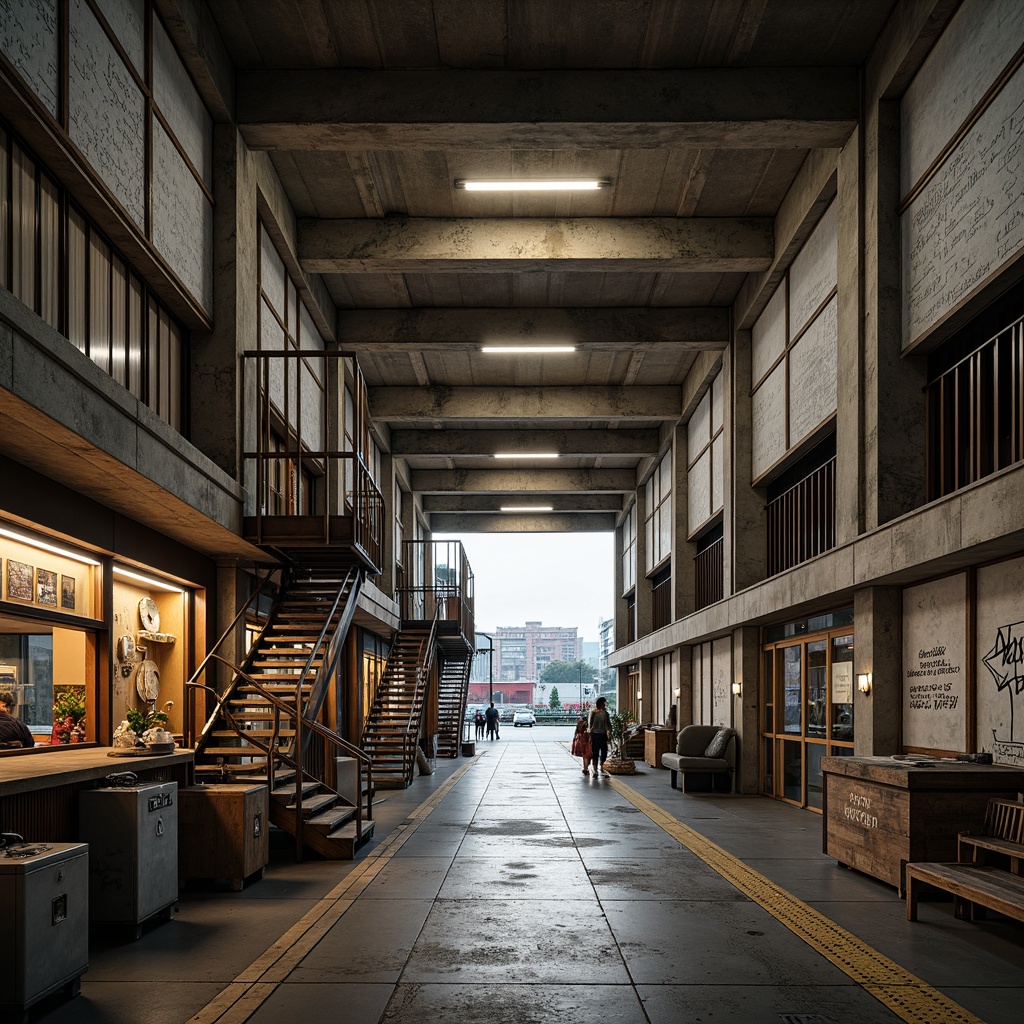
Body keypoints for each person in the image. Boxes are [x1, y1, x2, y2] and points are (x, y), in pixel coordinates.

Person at [588, 696, 611, 774]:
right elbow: (590, 724)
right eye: (603, 703)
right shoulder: (593, 713)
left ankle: (601, 764)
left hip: (603, 734)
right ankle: (595, 767)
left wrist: (609, 731)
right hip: (595, 734)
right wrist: (590, 735)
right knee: (595, 752)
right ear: (599, 704)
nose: (604, 705)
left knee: (604, 751)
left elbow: (608, 723)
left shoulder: (606, 713)